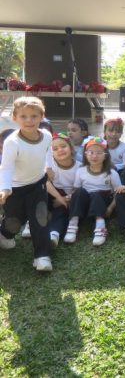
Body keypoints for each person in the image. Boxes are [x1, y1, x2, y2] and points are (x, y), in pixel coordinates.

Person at [0, 97, 53, 271]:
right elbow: (6, 167)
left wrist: (49, 167)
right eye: (23, 116)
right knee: (15, 221)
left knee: (40, 218)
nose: (29, 120)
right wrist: (5, 188)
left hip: (37, 185)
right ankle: (4, 234)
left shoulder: (46, 136)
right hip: (15, 188)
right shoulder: (12, 142)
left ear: (42, 117)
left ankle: (42, 256)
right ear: (14, 118)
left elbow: (48, 151)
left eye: (34, 116)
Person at [67, 137, 122, 246]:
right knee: (79, 191)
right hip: (87, 204)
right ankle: (73, 224)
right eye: (91, 152)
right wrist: (70, 197)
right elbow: (76, 190)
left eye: (99, 153)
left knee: (96, 195)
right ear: (85, 155)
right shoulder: (80, 171)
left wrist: (110, 208)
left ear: (105, 155)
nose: (94, 156)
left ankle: (100, 226)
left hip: (103, 204)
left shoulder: (111, 173)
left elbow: (118, 193)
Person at [46, 133, 79, 246]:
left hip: (73, 198)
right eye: (55, 149)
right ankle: (33, 220)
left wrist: (67, 199)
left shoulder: (79, 167)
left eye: (63, 146)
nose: (60, 150)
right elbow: (46, 183)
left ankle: (54, 234)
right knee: (39, 187)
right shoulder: (50, 167)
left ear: (71, 148)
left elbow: (82, 186)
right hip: (55, 196)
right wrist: (60, 199)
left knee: (62, 212)